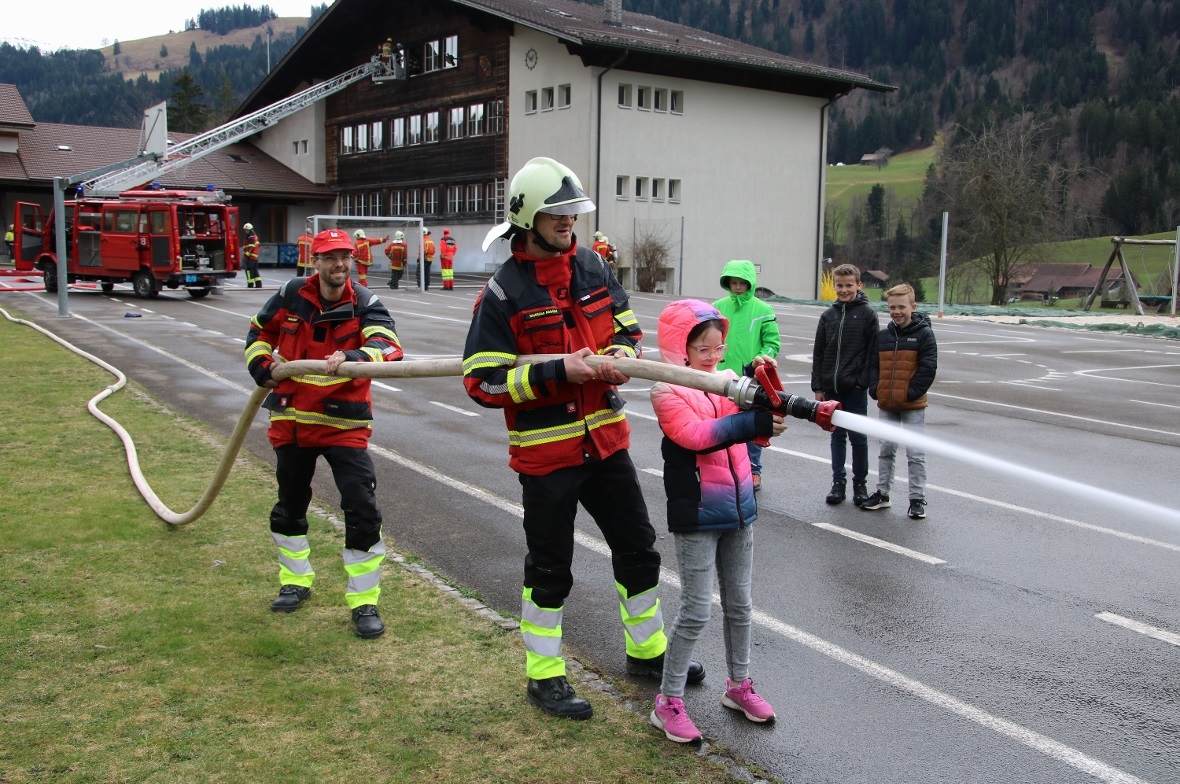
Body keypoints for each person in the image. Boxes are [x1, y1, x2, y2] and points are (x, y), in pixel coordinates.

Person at [463, 156, 702, 720]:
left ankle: (647, 653)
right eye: (556, 212)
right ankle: (543, 676)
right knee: (551, 569)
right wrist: (556, 372)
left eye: (572, 211)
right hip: (548, 456)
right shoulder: (502, 294)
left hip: (606, 443)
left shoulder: (593, 268)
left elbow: (626, 327)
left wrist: (622, 355)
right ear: (528, 218)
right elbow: (482, 380)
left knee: (639, 550)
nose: (568, 220)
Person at [244, 228, 403, 638]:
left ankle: (364, 601)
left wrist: (353, 356)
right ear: (315, 261)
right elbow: (258, 332)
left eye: (346, 257)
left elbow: (389, 346)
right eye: (331, 258)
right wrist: (261, 364)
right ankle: (295, 582)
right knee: (290, 506)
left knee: (362, 509)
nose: (340, 265)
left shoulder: (364, 301)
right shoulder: (291, 294)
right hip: (292, 422)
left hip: (343, 424)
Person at [648, 299, 783, 744]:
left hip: (740, 509)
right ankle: (667, 702)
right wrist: (752, 420)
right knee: (695, 610)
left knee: (741, 605)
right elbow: (697, 436)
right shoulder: (666, 388)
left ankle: (739, 686)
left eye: (718, 347)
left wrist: (765, 391)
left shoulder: (729, 381)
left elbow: (749, 419)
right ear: (679, 349)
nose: (713, 356)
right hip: (698, 514)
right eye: (703, 349)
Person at [862, 283, 938, 520]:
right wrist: (876, 390)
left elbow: (928, 368)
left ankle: (917, 499)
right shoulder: (883, 337)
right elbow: (874, 365)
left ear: (913, 307)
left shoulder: (924, 334)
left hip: (912, 405)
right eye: (892, 307)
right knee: (886, 450)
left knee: (915, 453)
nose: (897, 311)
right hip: (887, 403)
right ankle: (882, 494)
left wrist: (910, 393)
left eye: (901, 307)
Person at [811, 263, 879, 506]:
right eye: (839, 285)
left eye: (849, 285)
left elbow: (873, 353)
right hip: (831, 387)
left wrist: (863, 382)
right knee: (837, 437)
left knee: (858, 438)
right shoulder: (828, 316)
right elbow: (818, 352)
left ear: (858, 285)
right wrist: (818, 386)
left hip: (854, 389)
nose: (844, 289)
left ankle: (860, 484)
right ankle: (838, 482)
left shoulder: (868, 314)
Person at [713, 260, 781, 492]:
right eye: (734, 282)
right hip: (720, 377)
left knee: (752, 425)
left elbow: (772, 343)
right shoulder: (717, 307)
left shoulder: (763, 309)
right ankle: (722, 469)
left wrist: (763, 358)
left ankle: (753, 470)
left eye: (743, 283)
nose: (738, 287)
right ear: (727, 283)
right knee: (721, 424)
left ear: (750, 283)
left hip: (751, 379)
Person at [242, 223, 261, 288]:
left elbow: (251, 246)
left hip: (250, 257)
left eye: (246, 230)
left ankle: (250, 284)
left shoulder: (250, 237)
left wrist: (247, 254)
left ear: (249, 230)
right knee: (255, 270)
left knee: (249, 270)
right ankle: (258, 284)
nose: (245, 231)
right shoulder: (254, 236)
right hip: (254, 257)